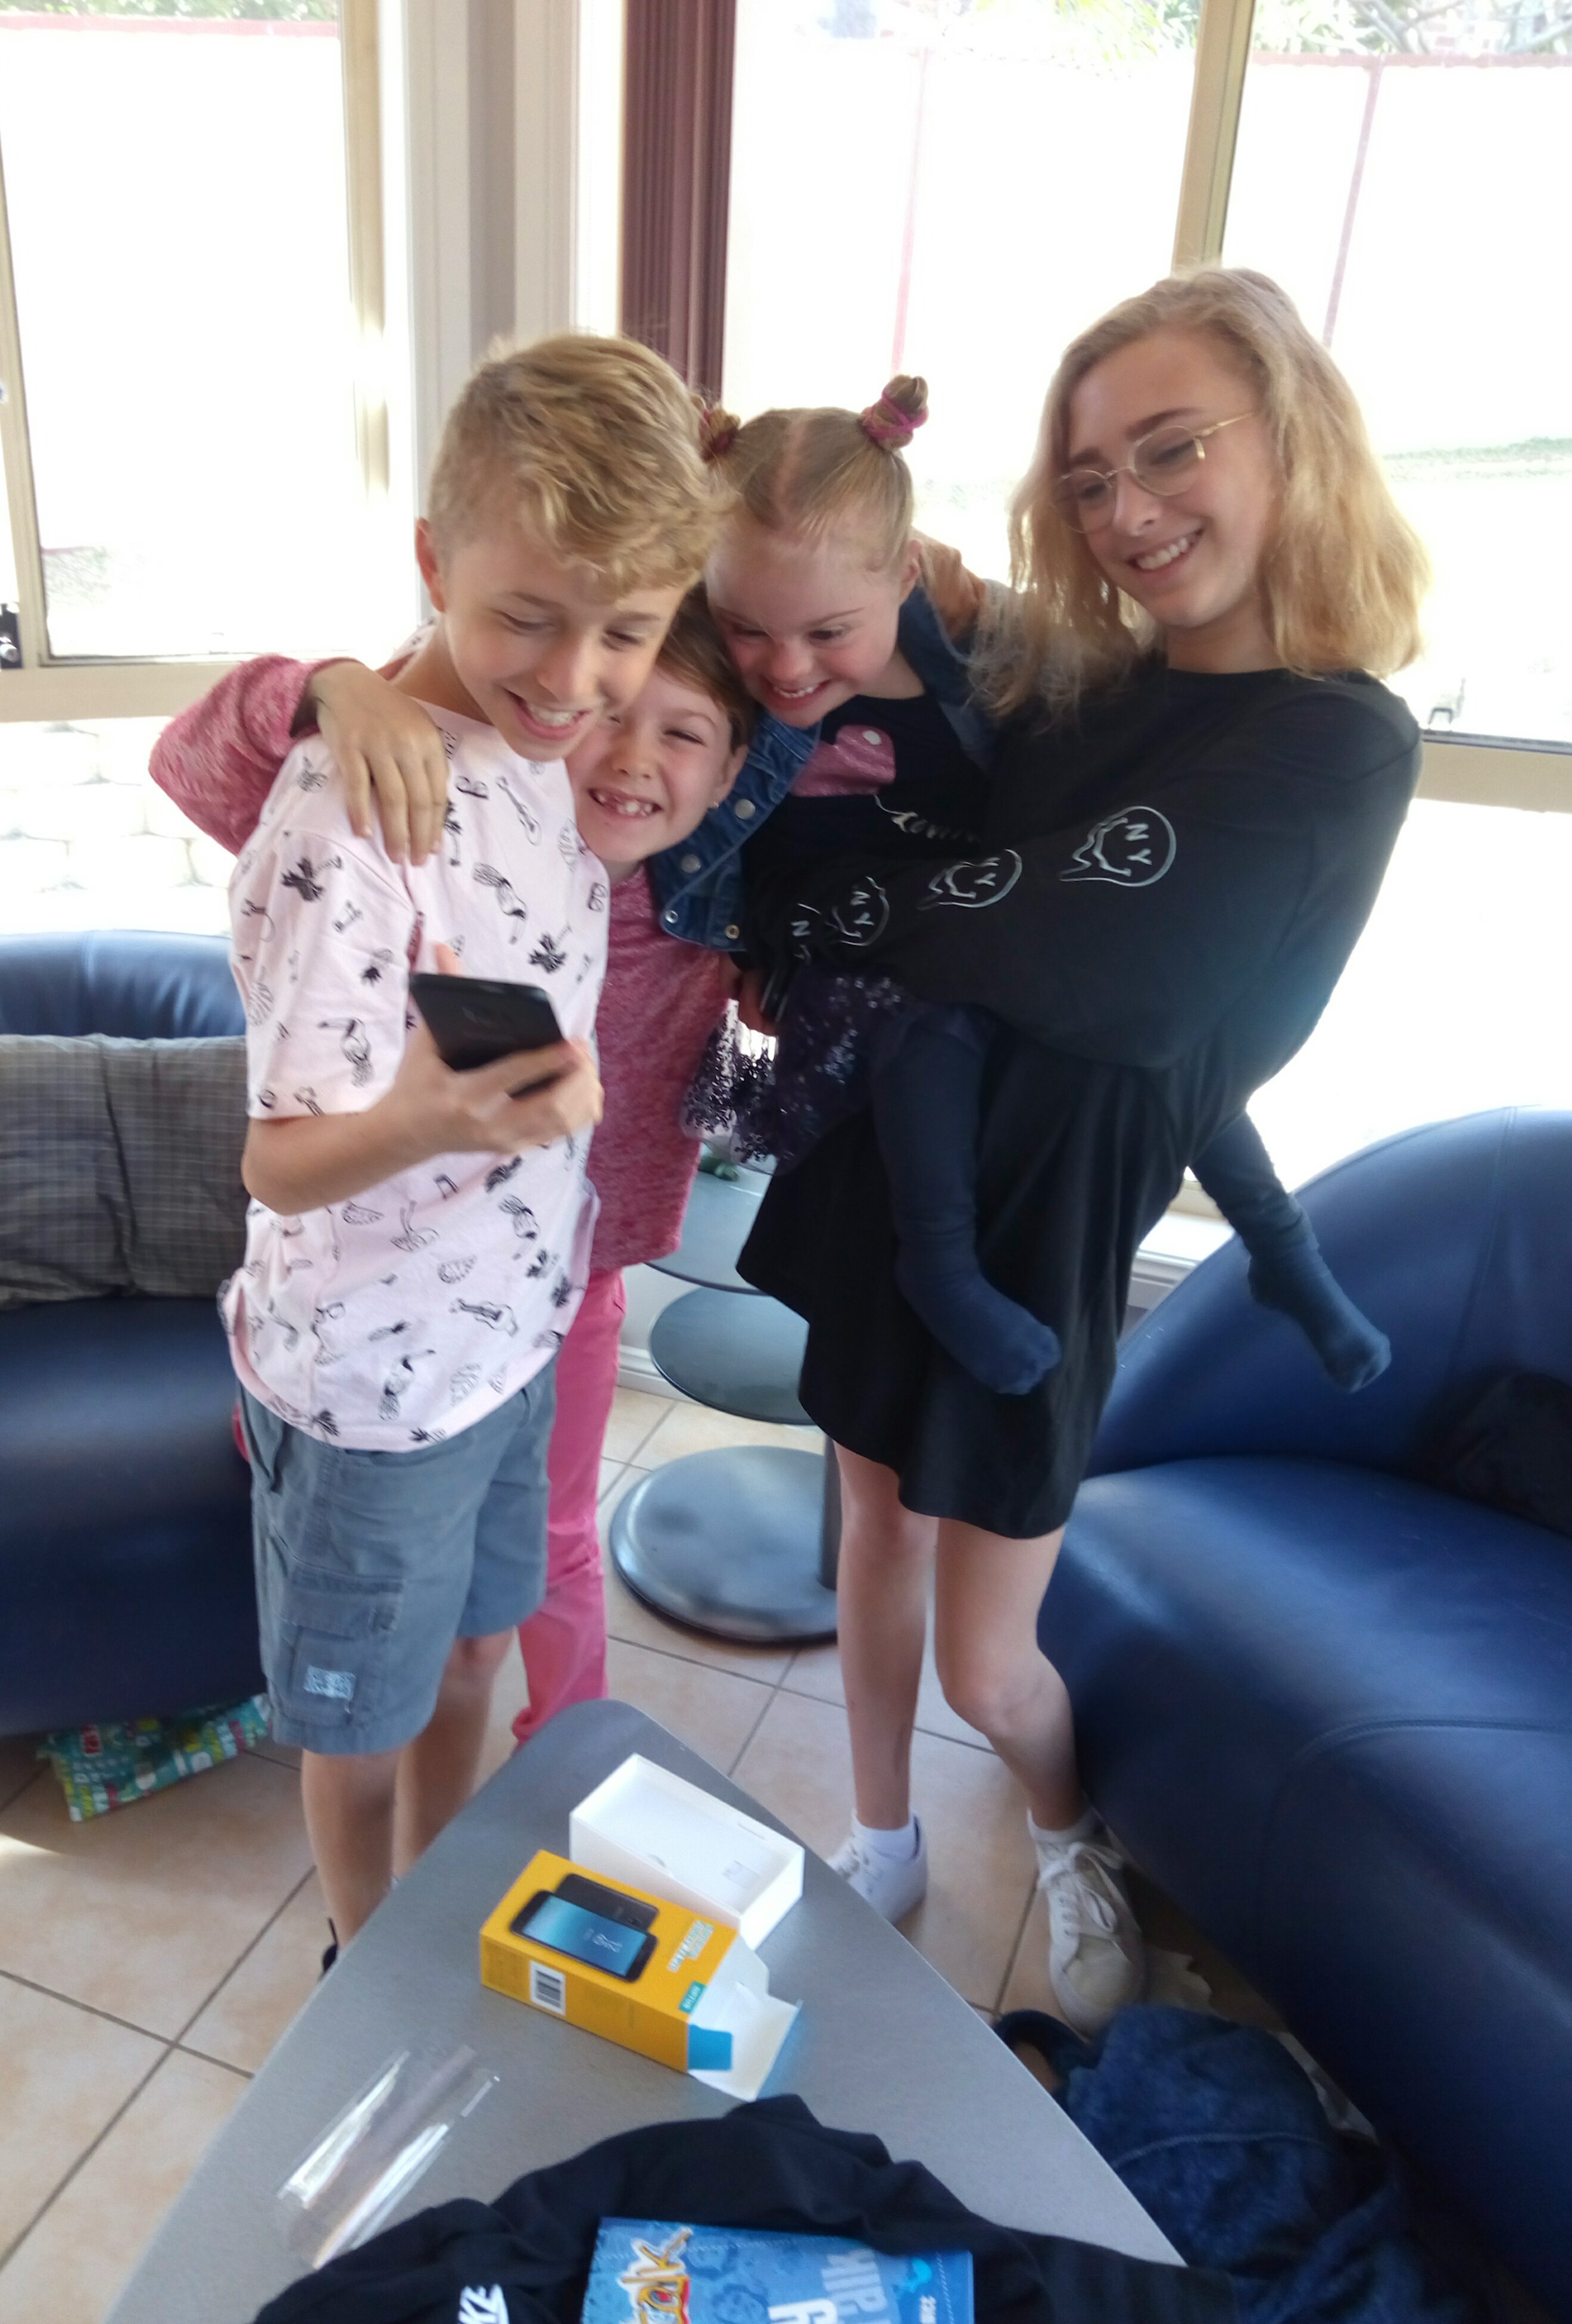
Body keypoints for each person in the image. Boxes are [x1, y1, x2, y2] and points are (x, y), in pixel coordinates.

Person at [736, 269, 1428, 2032]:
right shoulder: (1075, 683)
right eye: (1092, 475)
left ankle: (1062, 1829)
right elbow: (825, 669)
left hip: (1043, 1232)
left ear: (1292, 440)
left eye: (1173, 450)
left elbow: (1098, 961)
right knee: (868, 1529)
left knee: (992, 1658)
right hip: (892, 1166)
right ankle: (883, 1833)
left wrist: (830, 924)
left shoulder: (1337, 737)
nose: (1130, 510)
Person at [220, 333, 723, 1958]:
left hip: (507, 1345)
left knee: (473, 1655)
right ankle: (365, 1949)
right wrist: (428, 1120)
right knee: (362, 1718)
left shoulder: (545, 763)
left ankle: (438, 1902)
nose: (576, 679)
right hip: (371, 1387)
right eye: (528, 617)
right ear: (434, 563)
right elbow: (276, 1165)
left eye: (625, 632)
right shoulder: (349, 814)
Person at [695, 378, 1392, 1399]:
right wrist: (741, 948)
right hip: (846, 941)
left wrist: (982, 603)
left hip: (971, 905)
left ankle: (1285, 1251)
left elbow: (1077, 684)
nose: (787, 668)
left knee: (1169, 1056)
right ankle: (941, 1263)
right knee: (928, 1019)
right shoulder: (704, 667)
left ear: (904, 576)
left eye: (829, 631)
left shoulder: (970, 648)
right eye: (746, 629)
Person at [155, 592, 751, 1751]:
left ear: (729, 775)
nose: (632, 758)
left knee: (544, 1553)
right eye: (610, 715)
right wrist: (332, 686)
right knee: (365, 1527)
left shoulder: (709, 894)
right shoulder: (451, 817)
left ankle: (564, 1752)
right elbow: (200, 760)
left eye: (679, 735)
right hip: (375, 1303)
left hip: (570, 1274)